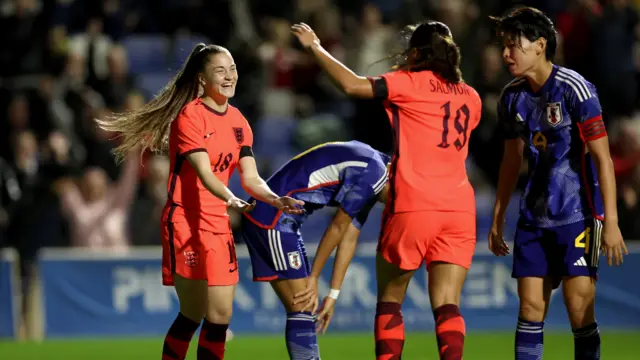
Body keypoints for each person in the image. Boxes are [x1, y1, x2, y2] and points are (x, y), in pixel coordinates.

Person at [96, 43, 304, 360]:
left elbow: (250, 177)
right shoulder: (189, 118)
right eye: (220, 70)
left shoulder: (239, 122)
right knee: (192, 315)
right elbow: (204, 173)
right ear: (202, 79)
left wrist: (276, 200)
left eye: (232, 69)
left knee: (220, 317)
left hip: (217, 223)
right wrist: (231, 198)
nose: (229, 76)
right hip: (186, 222)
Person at [292, 21, 482, 360]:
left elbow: (352, 85)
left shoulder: (408, 83)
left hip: (414, 203)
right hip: (459, 209)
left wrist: (314, 47)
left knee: (391, 300)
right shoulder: (472, 97)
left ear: (416, 53)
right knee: (448, 304)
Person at [488, 7, 628, 360]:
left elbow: (603, 158)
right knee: (530, 310)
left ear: (539, 45)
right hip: (533, 218)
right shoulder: (511, 97)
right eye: (503, 46)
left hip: (577, 215)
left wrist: (610, 222)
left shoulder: (575, 89)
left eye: (513, 45)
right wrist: (498, 215)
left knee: (580, 309)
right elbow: (510, 161)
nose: (506, 54)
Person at [240, 140, 390, 360]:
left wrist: (333, 294)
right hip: (273, 217)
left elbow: (349, 236)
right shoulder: (374, 174)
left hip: (281, 219)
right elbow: (337, 226)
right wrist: (314, 276)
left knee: (303, 307)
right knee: (302, 306)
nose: (393, 204)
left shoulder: (375, 167)